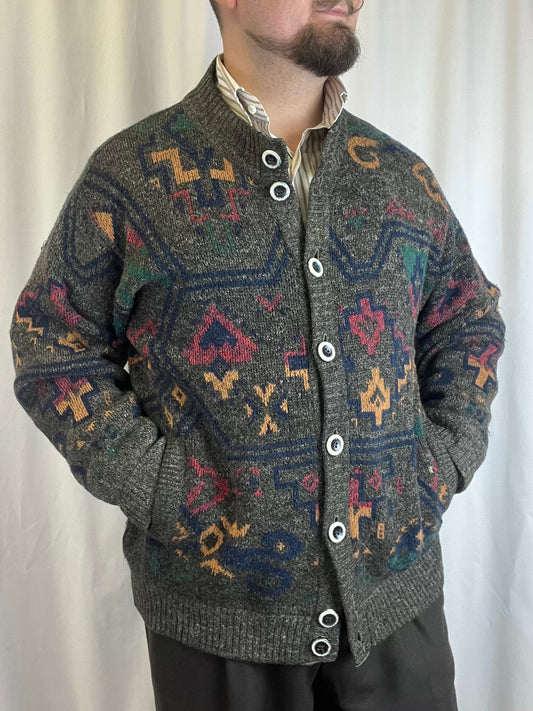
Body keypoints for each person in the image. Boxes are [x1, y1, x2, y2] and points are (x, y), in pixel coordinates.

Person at [10, 0, 505, 709]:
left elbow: (467, 318)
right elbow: (51, 340)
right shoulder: (134, 178)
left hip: (399, 609)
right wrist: (166, 490)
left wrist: (441, 461)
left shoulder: (401, 178)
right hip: (217, 625)